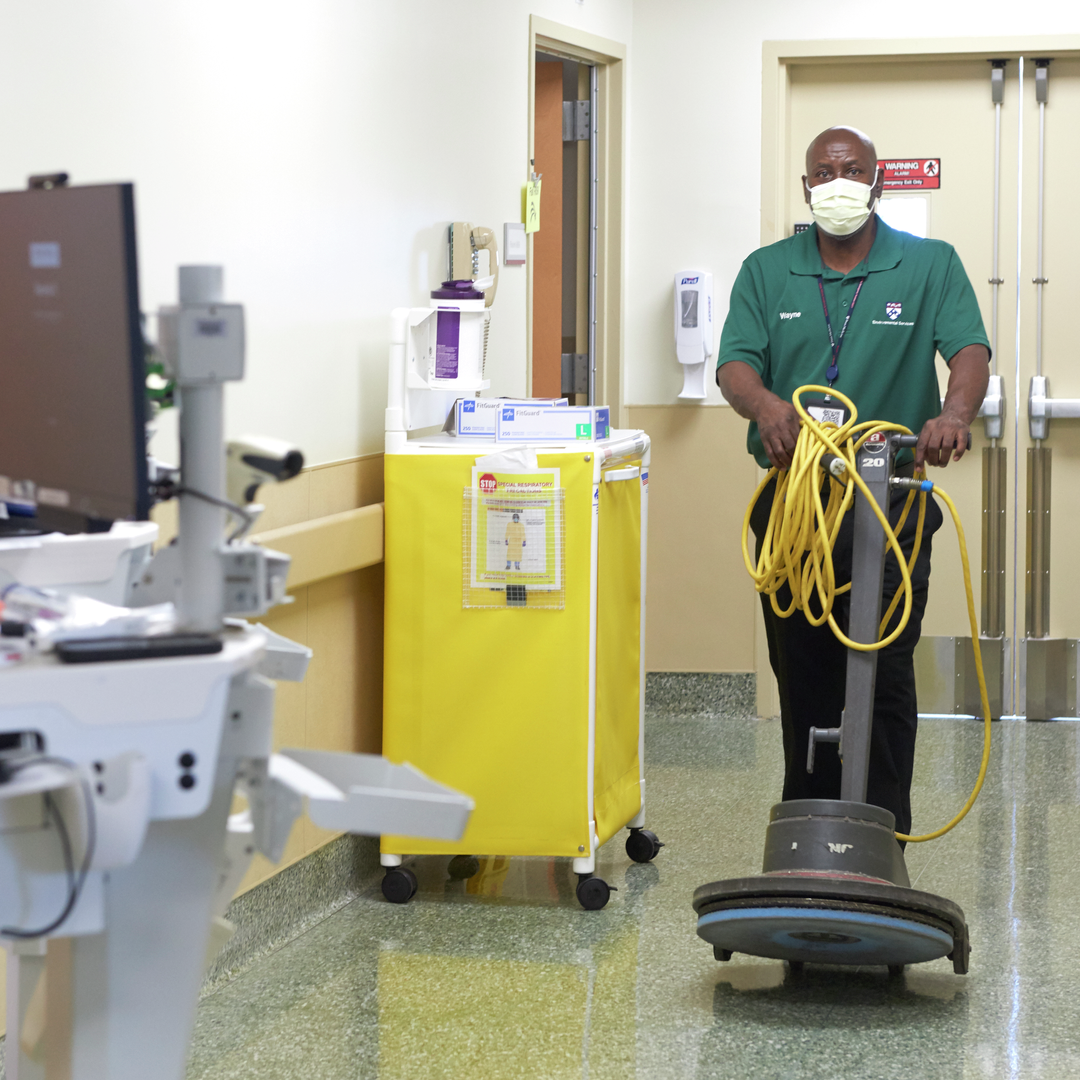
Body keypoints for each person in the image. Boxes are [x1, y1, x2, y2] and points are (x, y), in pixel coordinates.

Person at [716, 125, 990, 836]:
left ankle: (884, 831)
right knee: (803, 674)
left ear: (876, 182)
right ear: (807, 187)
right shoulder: (767, 271)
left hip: (891, 503)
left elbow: (967, 351)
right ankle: (809, 827)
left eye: (853, 170)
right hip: (794, 506)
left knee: (886, 670)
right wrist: (767, 406)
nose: (838, 182)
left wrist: (954, 413)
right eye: (824, 172)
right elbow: (736, 366)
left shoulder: (929, 265)